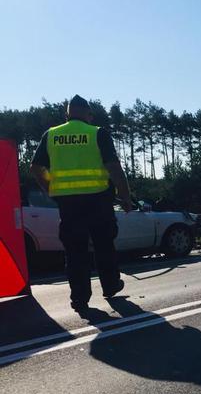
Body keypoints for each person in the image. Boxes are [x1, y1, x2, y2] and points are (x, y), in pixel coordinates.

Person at [30, 95, 133, 312]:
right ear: (88, 114)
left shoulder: (52, 134)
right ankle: (111, 285)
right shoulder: (97, 133)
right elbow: (114, 167)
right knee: (104, 245)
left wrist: (50, 189)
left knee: (75, 251)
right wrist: (125, 196)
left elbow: (36, 168)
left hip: (68, 204)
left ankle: (79, 298)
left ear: (67, 114)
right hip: (98, 201)